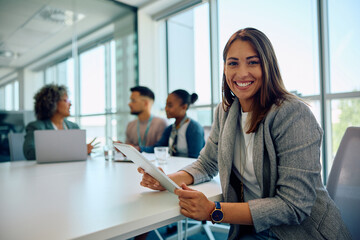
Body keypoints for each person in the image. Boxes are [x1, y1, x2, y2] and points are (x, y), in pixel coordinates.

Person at [138, 28, 351, 239]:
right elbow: (207, 163)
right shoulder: (225, 112)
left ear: (268, 66)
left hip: (297, 233)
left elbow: (294, 205)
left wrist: (213, 210)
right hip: (250, 227)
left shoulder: (293, 114)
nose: (241, 73)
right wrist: (167, 180)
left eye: (252, 62)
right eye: (233, 63)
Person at [23, 84, 97, 160]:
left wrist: (85, 150)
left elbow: (80, 155)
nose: (70, 104)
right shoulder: (36, 127)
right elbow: (29, 153)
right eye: (66, 100)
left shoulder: (74, 127)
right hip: (47, 170)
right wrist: (70, 151)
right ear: (53, 103)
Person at [140, 89, 205, 158]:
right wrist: (139, 149)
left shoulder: (194, 129)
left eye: (170, 105)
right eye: (166, 105)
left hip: (189, 167)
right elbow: (158, 148)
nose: (166, 109)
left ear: (184, 107)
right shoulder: (170, 129)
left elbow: (195, 158)